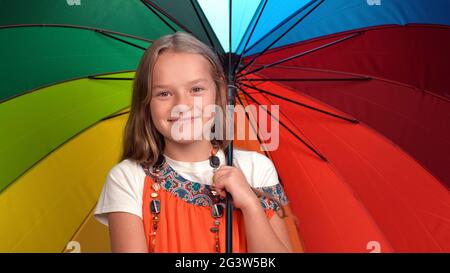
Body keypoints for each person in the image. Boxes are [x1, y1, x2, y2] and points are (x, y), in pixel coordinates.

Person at [94, 32, 292, 253]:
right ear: (146, 102)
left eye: (196, 90)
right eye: (164, 93)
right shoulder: (127, 178)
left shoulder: (256, 168)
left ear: (218, 93)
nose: (182, 104)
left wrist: (250, 205)